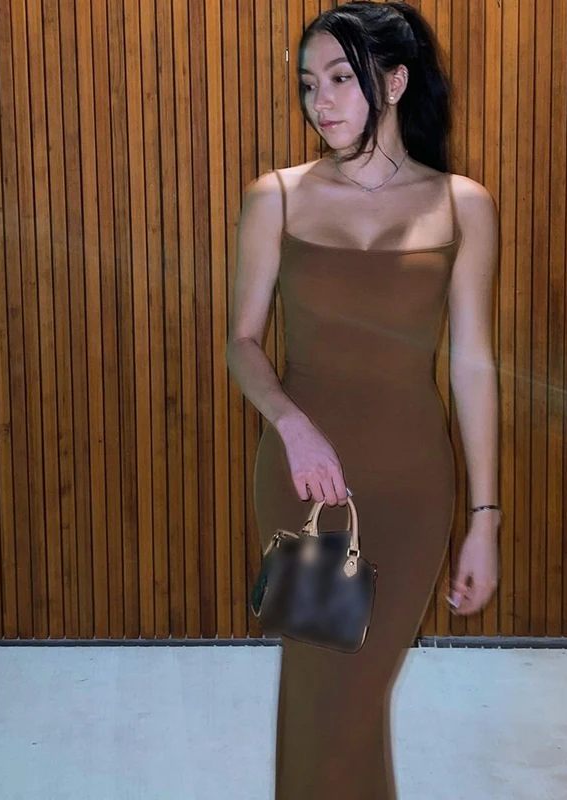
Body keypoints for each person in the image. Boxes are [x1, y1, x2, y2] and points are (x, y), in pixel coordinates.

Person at [226, 2, 500, 797]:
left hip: (415, 486)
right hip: (307, 485)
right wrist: (292, 425)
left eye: (341, 78)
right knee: (325, 697)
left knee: (356, 697)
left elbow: (473, 365)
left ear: (395, 82)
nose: (322, 101)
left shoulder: (463, 205)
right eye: (309, 84)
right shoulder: (276, 197)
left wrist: (485, 518)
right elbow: (242, 342)